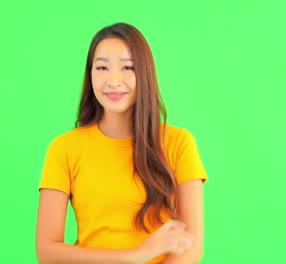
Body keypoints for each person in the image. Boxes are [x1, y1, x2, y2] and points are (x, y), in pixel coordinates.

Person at [35, 22, 208, 264]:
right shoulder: (64, 148)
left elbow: (191, 249)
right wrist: (133, 257)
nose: (114, 80)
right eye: (102, 67)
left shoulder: (178, 143)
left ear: (145, 73)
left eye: (128, 67)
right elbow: (47, 252)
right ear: (90, 74)